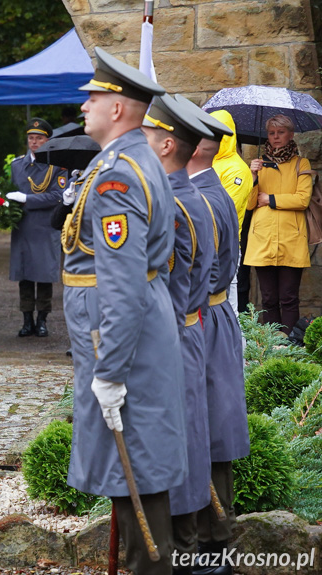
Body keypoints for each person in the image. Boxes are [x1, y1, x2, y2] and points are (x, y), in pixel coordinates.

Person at [63, 48, 185, 575]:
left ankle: (149, 568)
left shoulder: (118, 176)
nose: (84, 104)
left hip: (119, 336)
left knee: (134, 459)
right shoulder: (129, 160)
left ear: (118, 108)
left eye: (94, 96)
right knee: (131, 458)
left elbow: (123, 283)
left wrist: (110, 370)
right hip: (130, 326)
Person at [142, 94, 216, 573]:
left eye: (147, 137)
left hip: (169, 338)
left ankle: (185, 554)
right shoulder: (182, 196)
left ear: (167, 144)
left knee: (176, 443)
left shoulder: (169, 204)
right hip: (184, 332)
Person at [184, 103, 250, 575]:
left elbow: (196, 278)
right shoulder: (210, 190)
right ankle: (210, 538)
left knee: (201, 426)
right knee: (206, 424)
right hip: (210, 314)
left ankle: (208, 542)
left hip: (200, 319)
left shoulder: (201, 199)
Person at [244, 115, 313, 334]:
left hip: (291, 238)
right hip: (263, 238)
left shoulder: (302, 164)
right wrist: (253, 177)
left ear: (290, 134)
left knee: (289, 297)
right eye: (272, 133)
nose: (275, 137)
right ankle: (274, 344)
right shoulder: (259, 164)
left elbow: (302, 199)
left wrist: (270, 200)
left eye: (281, 132)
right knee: (269, 298)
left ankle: (291, 343)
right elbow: (248, 204)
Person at [6, 118, 68, 338]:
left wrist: (27, 198)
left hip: (44, 226)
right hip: (23, 227)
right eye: (31, 138)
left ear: (47, 140)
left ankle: (42, 320)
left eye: (39, 138)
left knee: (43, 276)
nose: (34, 142)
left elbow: (58, 196)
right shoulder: (17, 165)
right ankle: (26, 320)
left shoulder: (56, 167)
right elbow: (10, 191)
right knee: (24, 275)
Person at [209, 110, 253, 314]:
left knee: (228, 309)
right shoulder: (210, 162)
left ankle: (236, 346)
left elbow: (226, 211)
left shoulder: (238, 169)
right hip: (206, 245)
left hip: (224, 247)